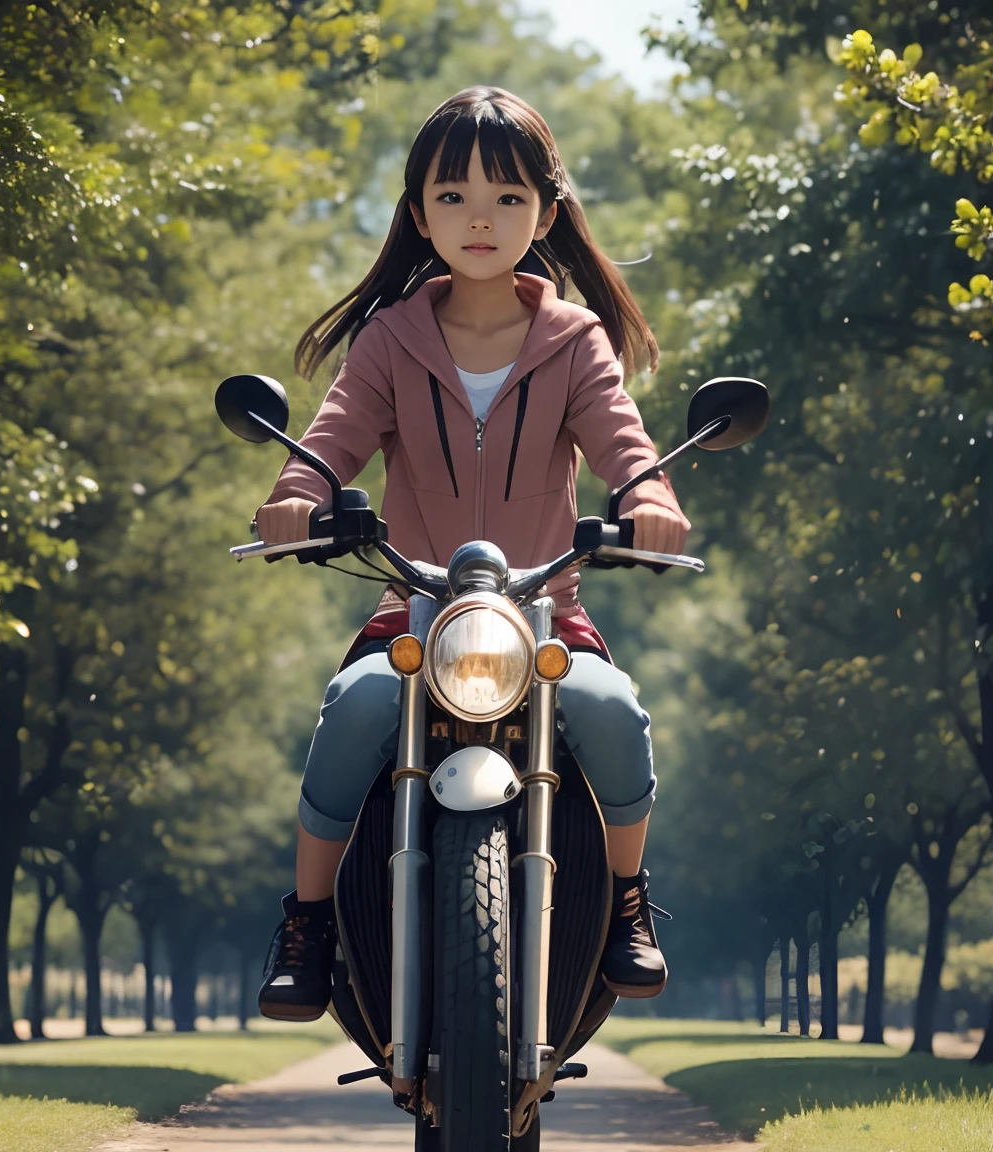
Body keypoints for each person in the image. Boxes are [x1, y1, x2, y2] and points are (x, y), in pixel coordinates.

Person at [256, 85, 689, 1022]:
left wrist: (650, 497)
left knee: (614, 711)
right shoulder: (389, 338)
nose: (479, 218)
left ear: (547, 208)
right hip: (411, 615)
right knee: (352, 707)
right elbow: (332, 439)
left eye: (506, 196)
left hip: (543, 619)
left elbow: (623, 444)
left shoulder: (577, 342)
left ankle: (624, 899)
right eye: (452, 197)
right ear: (418, 214)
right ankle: (309, 922)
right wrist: (299, 493)